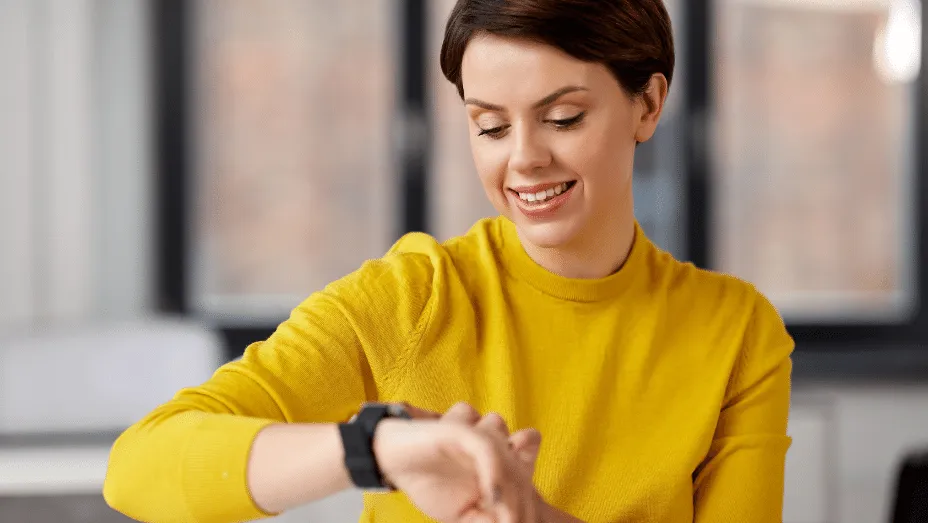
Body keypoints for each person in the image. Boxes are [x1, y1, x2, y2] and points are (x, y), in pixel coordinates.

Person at [103, 0, 794, 522]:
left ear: (648, 103)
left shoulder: (735, 332)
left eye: (562, 118)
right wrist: (377, 447)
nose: (522, 157)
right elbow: (141, 463)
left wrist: (531, 512)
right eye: (489, 125)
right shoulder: (412, 299)